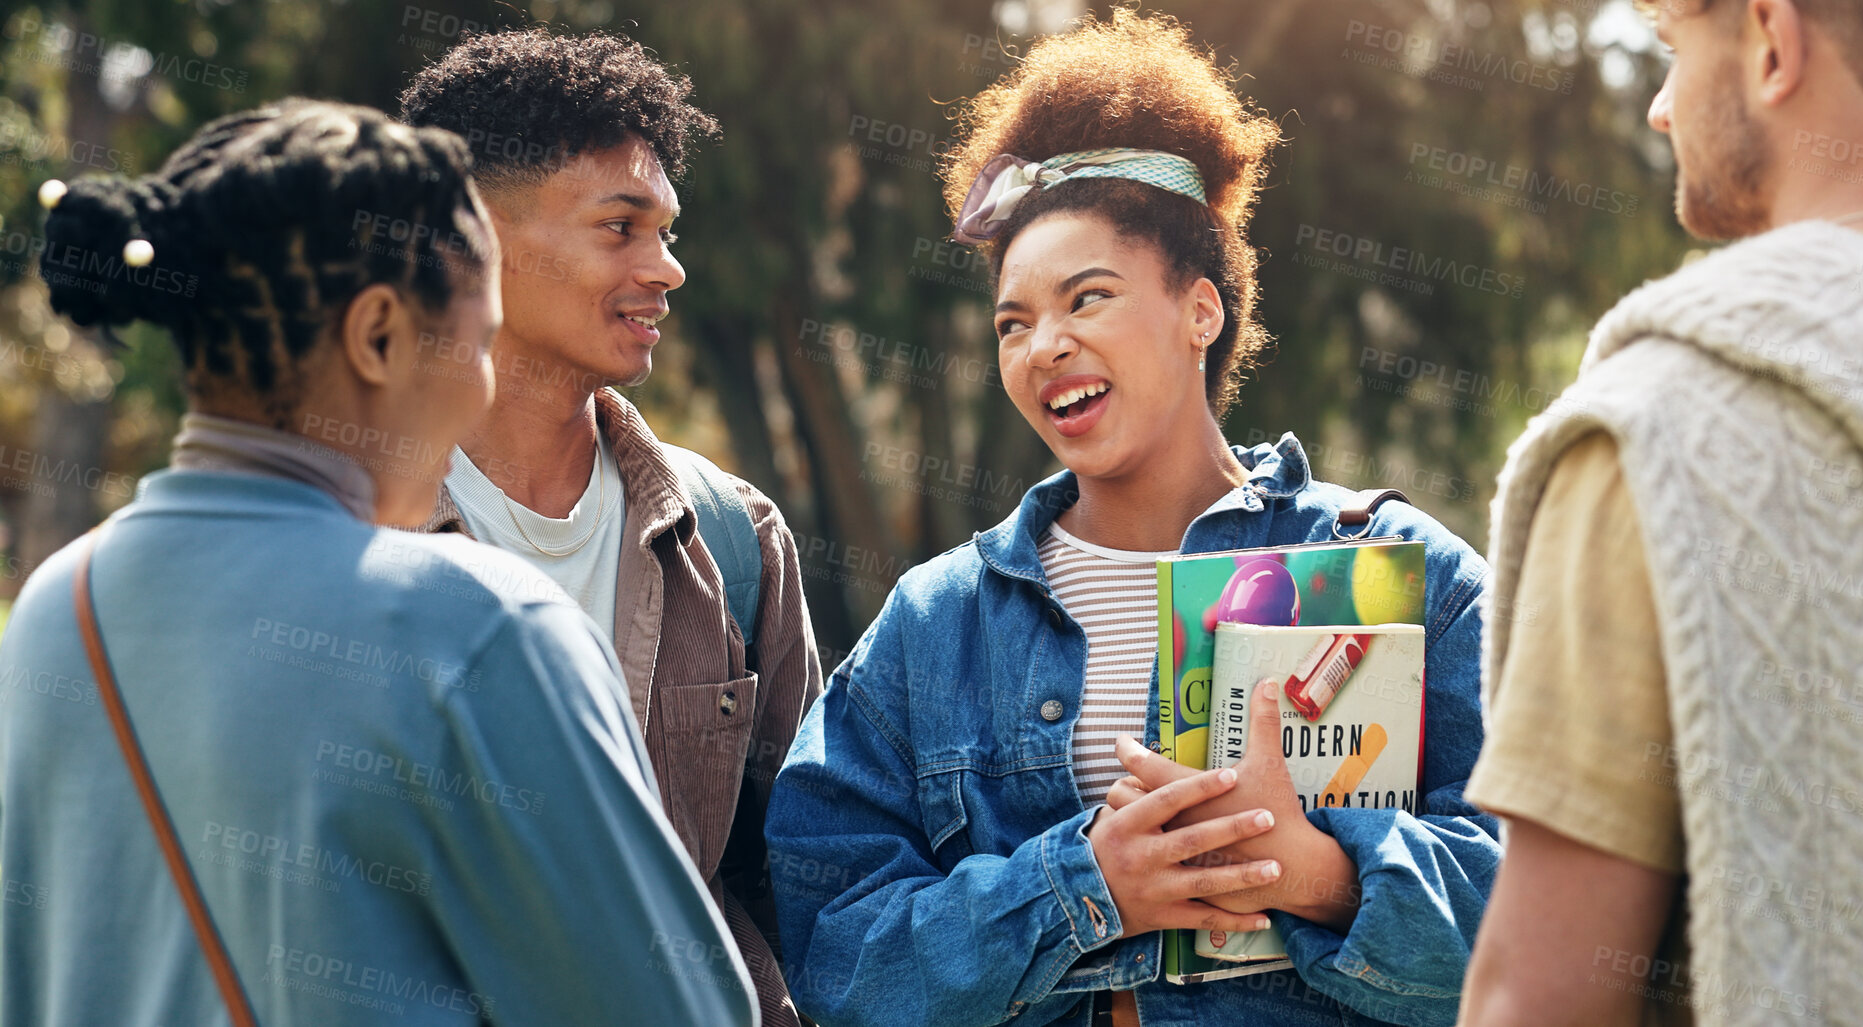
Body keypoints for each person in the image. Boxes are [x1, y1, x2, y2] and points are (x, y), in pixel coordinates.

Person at [766, 12, 1501, 1027]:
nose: (1044, 346)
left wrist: (1323, 877)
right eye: (1013, 323)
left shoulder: (1404, 573)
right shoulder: (935, 623)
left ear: (1201, 311)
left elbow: (1545, 919)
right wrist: (1082, 885)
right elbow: (832, 951)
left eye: (1088, 298)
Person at [0, 100, 756, 1026]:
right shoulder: (477, 629)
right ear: (379, 336)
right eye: (478, 343)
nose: (480, 384)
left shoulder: (55, 607)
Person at [1458, 1, 1863, 1024]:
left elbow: (1535, 1001)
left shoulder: (1667, 425)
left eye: (1679, 52)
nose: (1661, 109)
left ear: (1773, 38)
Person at [397, 27, 822, 1026]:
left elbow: (802, 885)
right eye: (620, 226)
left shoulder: (734, 538)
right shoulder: (345, 533)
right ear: (474, 235)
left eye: (666, 231)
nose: (666, 268)